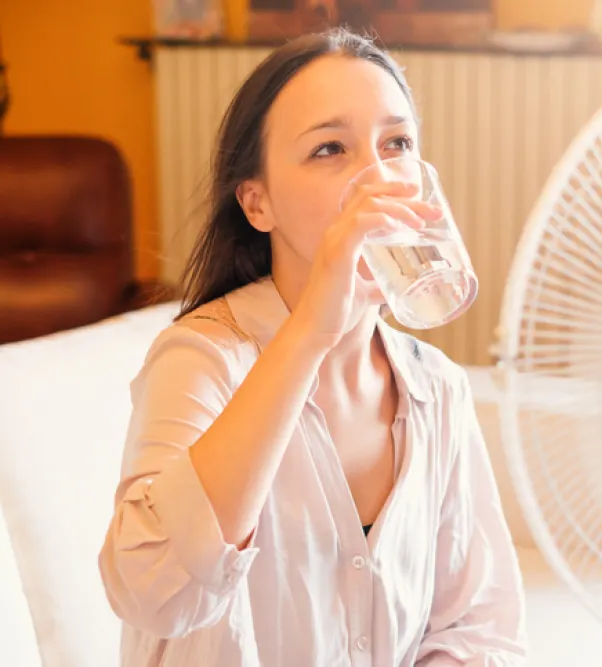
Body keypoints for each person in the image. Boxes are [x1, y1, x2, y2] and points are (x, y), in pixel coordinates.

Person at [98, 27, 527, 667]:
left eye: (397, 144)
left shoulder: (436, 388)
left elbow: (478, 627)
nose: (377, 177)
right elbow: (151, 595)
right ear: (258, 201)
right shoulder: (202, 359)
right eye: (330, 148)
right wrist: (312, 332)